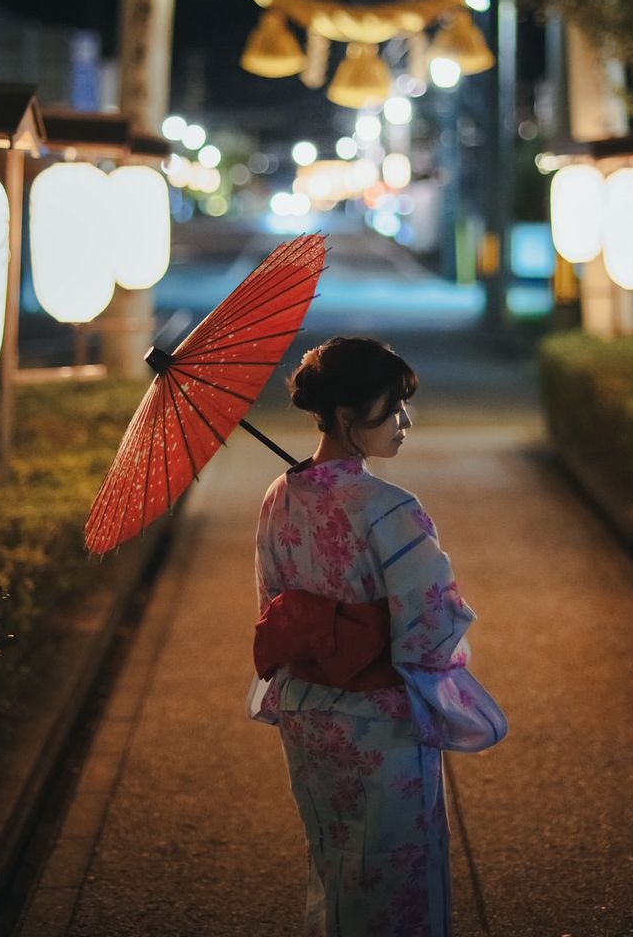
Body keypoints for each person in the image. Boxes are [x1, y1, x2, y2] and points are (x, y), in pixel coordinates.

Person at [247, 336, 507, 937]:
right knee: (397, 877)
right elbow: (432, 626)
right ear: (347, 416)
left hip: (307, 714)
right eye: (392, 409)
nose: (404, 422)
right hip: (380, 719)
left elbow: (273, 606)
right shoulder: (391, 509)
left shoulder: (279, 496)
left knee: (335, 864)